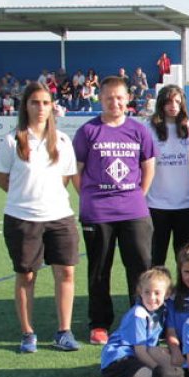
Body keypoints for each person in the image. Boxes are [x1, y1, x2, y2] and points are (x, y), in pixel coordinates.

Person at [0, 81, 81, 353]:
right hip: (22, 218)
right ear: (26, 106)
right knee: (26, 276)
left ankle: (64, 331)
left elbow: (66, 177)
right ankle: (28, 333)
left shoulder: (63, 141)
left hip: (59, 216)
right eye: (35, 102)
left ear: (52, 106)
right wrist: (26, 197)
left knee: (66, 272)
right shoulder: (11, 140)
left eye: (45, 103)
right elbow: (1, 178)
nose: (41, 108)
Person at [74, 75, 156, 345]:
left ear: (128, 99)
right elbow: (77, 171)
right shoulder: (88, 131)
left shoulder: (139, 130)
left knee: (141, 268)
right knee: (99, 270)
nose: (115, 102)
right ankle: (99, 323)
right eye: (109, 97)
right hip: (98, 212)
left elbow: (148, 166)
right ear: (101, 98)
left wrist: (138, 195)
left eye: (120, 97)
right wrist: (89, 195)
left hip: (133, 210)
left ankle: (142, 317)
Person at [73, 266, 174, 377]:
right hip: (118, 359)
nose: (152, 297)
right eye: (147, 292)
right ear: (140, 292)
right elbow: (140, 351)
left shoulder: (162, 310)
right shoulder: (139, 313)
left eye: (157, 293)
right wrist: (157, 369)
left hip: (134, 359)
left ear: (167, 294)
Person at [146, 85, 189, 266]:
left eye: (178, 101)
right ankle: (156, 293)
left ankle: (185, 293)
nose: (173, 105)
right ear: (161, 102)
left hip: (187, 206)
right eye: (169, 101)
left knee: (187, 259)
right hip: (156, 205)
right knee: (155, 258)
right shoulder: (147, 129)